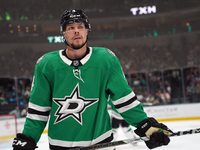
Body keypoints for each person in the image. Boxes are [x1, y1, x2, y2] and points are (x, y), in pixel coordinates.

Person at [12, 9, 172, 150]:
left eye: (80, 27)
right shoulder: (46, 65)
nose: (76, 31)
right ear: (63, 34)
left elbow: (124, 100)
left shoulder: (106, 60)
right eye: (71, 28)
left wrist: (145, 125)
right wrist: (29, 137)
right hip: (61, 145)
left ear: (87, 31)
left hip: (101, 144)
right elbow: (39, 108)